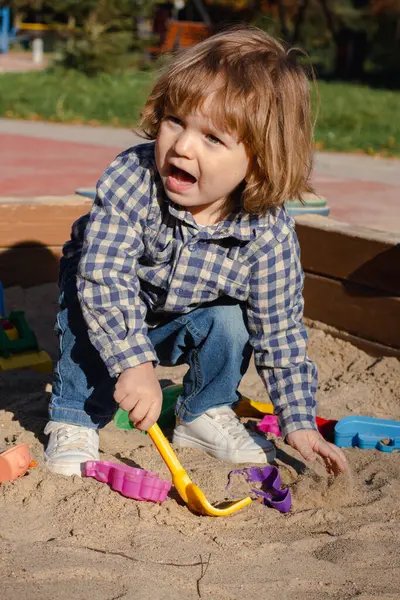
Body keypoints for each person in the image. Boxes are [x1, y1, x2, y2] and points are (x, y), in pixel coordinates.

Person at [44, 25, 348, 477]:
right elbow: (104, 278)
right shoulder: (134, 178)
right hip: (111, 305)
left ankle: (203, 412)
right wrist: (135, 363)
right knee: (84, 298)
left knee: (232, 320)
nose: (182, 146)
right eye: (175, 121)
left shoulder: (267, 233)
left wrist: (298, 421)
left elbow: (280, 332)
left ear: (260, 160)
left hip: (184, 317)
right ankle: (75, 416)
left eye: (212, 138)